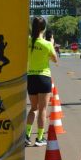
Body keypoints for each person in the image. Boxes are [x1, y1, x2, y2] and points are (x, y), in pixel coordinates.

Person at [26, 17, 58, 147]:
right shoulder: (47, 44)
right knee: (43, 109)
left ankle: (26, 135)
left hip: (31, 77)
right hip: (43, 77)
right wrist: (51, 43)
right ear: (44, 28)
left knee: (33, 108)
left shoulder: (27, 41)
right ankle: (39, 138)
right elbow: (55, 60)